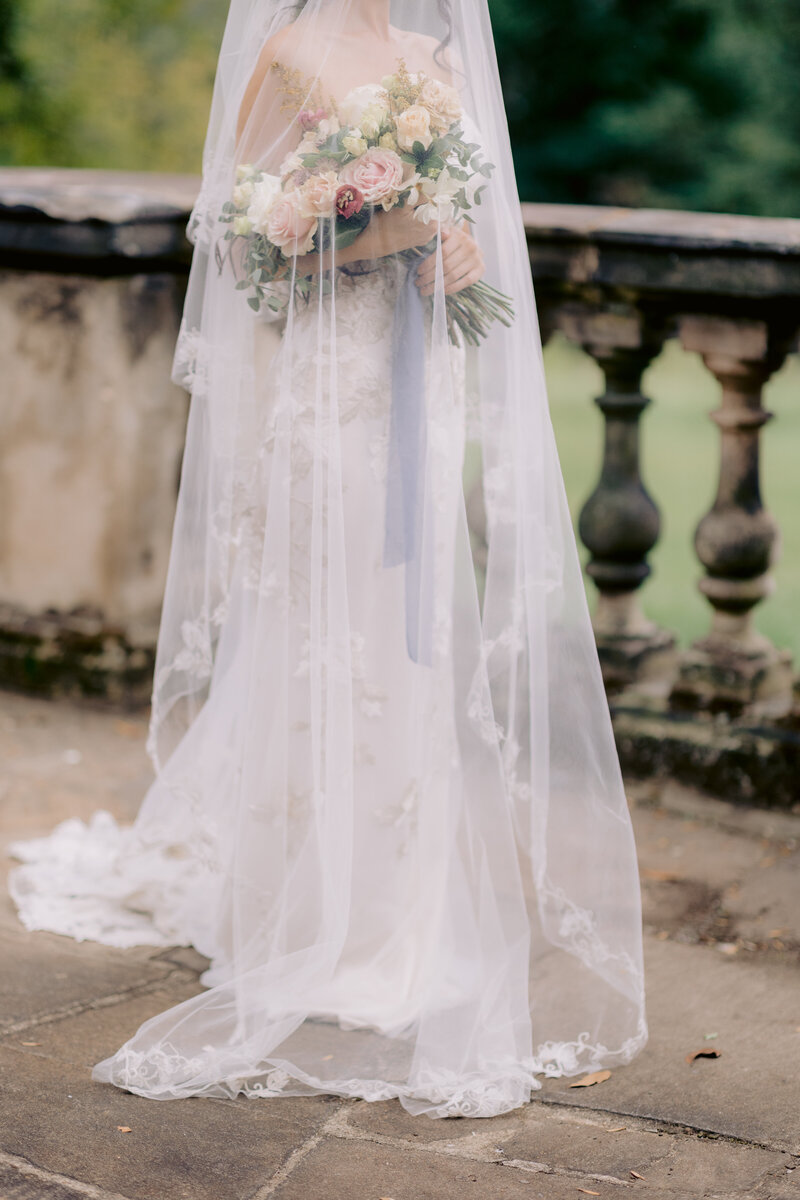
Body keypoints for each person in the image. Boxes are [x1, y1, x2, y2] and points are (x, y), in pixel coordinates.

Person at [9, 0, 647, 1118]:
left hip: (414, 388)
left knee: (406, 641)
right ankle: (303, 911)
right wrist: (373, 224)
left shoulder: (427, 59)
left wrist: (451, 245)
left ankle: (394, 907)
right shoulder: (288, 50)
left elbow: (469, 216)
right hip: (328, 392)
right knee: (324, 635)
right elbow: (243, 241)